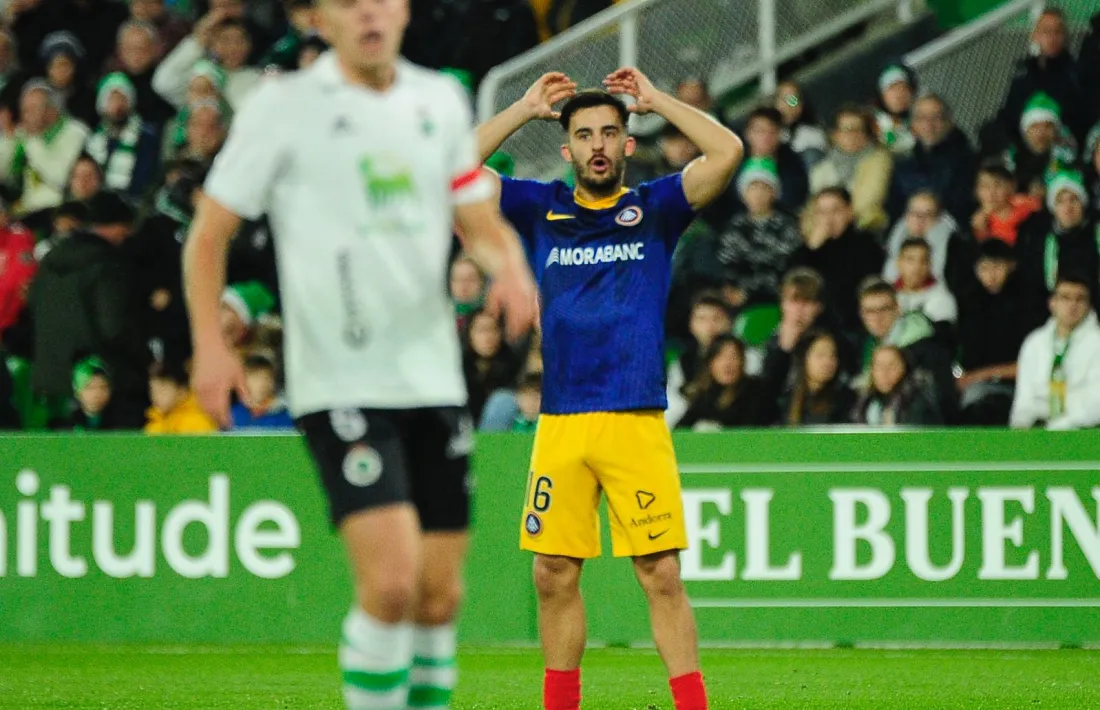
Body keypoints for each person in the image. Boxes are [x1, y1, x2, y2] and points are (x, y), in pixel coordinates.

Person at [183, 1, 537, 708]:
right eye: (348, 1)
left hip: (432, 379)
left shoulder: (439, 100)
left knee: (439, 599)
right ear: (318, 18)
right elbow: (208, 235)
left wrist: (511, 265)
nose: (369, 12)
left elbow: (477, 218)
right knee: (392, 583)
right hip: (340, 382)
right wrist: (208, 345)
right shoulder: (282, 108)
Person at [476, 66, 742, 710]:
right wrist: (520, 108)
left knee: (661, 573)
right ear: (566, 149)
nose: (598, 144)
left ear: (628, 143)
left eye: (611, 132)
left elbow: (728, 152)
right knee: (552, 574)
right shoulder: (540, 208)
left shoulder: (655, 209)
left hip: (634, 418)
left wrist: (659, 99)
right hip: (562, 421)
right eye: (585, 134)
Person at [787, 187, 885, 338]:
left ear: (849, 212)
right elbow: (792, 282)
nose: (828, 218)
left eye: (835, 211)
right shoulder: (809, 249)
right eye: (822, 212)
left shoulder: (866, 244)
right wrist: (811, 249)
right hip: (812, 325)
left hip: (852, 326)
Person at [1010, 274, 1100, 430]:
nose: (1073, 305)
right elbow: (1023, 400)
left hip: (1083, 432)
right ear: (1052, 303)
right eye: (1065, 298)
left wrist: (1058, 425)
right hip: (1037, 431)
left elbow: (1095, 404)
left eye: (1080, 299)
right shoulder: (1034, 343)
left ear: (1088, 306)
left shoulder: (1097, 343)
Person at [715, 157, 801, 308]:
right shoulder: (734, 227)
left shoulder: (787, 225)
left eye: (764, 187)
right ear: (743, 193)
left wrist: (749, 291)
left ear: (774, 192)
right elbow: (729, 266)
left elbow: (785, 263)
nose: (758, 194)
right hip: (738, 301)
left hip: (778, 298)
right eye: (753, 187)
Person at [886, 94, 976, 226]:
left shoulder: (967, 162)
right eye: (922, 118)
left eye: (936, 118)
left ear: (949, 122)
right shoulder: (902, 164)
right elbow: (894, 209)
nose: (929, 124)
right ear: (913, 124)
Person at [809, 105, 893, 232]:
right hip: (827, 231)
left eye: (857, 129)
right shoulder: (820, 170)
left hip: (865, 229)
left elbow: (868, 200)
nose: (851, 135)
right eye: (846, 129)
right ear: (835, 134)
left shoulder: (879, 160)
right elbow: (815, 208)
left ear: (866, 134)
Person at [84, 72, 161, 198]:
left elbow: (147, 176)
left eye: (122, 99)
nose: (117, 105)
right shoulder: (93, 139)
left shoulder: (146, 136)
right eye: (112, 99)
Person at [676, 334, 767, 430]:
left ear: (742, 362)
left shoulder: (756, 391)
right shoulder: (705, 395)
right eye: (720, 357)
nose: (727, 364)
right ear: (710, 364)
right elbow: (680, 430)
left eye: (733, 357)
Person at [779, 329, 855, 426]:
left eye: (833, 355)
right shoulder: (787, 400)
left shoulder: (846, 399)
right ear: (804, 359)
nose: (828, 362)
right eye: (820, 355)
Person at [853, 344, 942, 426]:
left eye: (891, 366)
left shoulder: (918, 402)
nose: (884, 372)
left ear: (904, 368)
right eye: (879, 366)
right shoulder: (865, 403)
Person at [894, 237, 957, 325]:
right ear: (898, 262)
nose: (917, 267)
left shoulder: (942, 298)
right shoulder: (887, 294)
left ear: (930, 265)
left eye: (923, 260)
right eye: (910, 260)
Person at [145, 359, 219, 434]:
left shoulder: (198, 424)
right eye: (152, 390)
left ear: (182, 390)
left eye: (163, 390)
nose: (155, 396)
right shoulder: (154, 424)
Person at [230, 353, 295, 430]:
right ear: (243, 382)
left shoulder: (285, 414)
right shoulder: (232, 413)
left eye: (266, 378)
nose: (262, 384)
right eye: (256, 379)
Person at [874, 63, 916, 157]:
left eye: (903, 88)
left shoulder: (920, 114)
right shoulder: (882, 124)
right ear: (882, 95)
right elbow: (892, 144)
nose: (899, 95)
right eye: (893, 89)